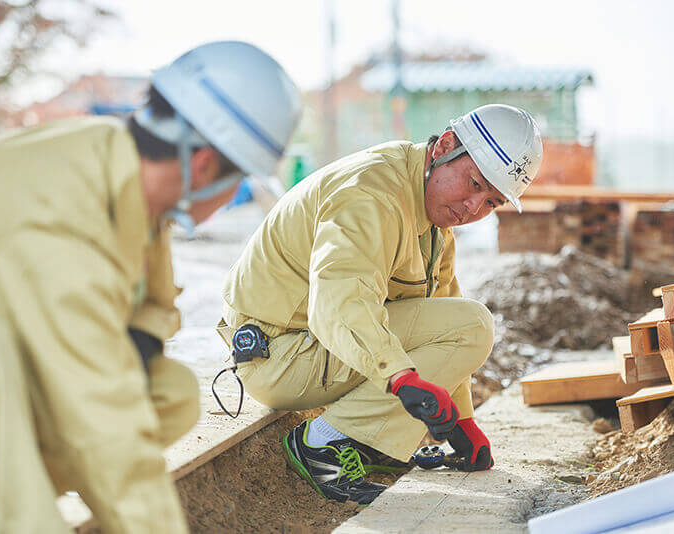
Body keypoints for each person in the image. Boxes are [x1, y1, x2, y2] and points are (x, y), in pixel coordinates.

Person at [0, 40, 301, 533]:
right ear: (203, 168)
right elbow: (107, 427)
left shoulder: (119, 169)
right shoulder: (63, 219)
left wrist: (134, 341)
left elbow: (155, 305)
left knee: (164, 392)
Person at [218, 104, 543, 504]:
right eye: (475, 184)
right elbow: (340, 303)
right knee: (473, 325)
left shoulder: (434, 221)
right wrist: (401, 378)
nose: (474, 208)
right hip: (277, 353)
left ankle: (369, 444)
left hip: (310, 347)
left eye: (492, 202)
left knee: (468, 323)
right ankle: (323, 444)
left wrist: (462, 421)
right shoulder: (371, 193)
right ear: (445, 146)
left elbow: (442, 309)